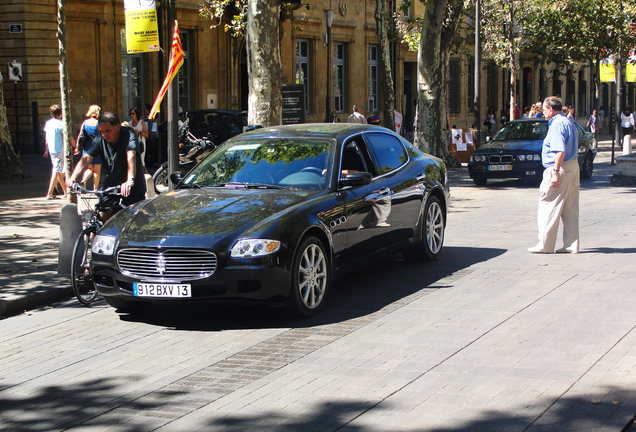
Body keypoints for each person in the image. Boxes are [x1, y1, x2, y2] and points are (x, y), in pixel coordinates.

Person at [67, 112, 146, 221]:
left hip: (132, 186)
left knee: (135, 220)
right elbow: (86, 159)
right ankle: (93, 237)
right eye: (102, 131)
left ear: (118, 126)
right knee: (101, 217)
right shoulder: (100, 138)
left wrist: (130, 179)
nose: (105, 135)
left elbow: (131, 156)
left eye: (108, 131)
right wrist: (73, 178)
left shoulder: (129, 134)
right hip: (112, 184)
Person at [528, 96, 580, 254]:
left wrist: (556, 172)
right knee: (570, 208)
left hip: (559, 167)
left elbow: (560, 150)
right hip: (573, 167)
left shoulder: (556, 124)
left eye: (544, 110)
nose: (543, 113)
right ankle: (571, 245)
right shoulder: (568, 121)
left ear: (551, 109)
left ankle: (545, 244)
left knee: (548, 205)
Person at [43, 104, 67, 199]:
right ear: (60, 113)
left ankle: (65, 191)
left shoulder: (48, 123)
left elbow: (47, 138)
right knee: (57, 171)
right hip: (60, 149)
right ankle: (49, 193)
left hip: (52, 150)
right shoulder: (61, 124)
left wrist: (46, 150)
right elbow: (65, 137)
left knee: (58, 170)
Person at [76, 105, 101, 189]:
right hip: (97, 146)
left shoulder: (85, 122)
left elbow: (80, 135)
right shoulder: (98, 123)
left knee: (89, 167)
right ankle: (95, 189)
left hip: (87, 146)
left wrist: (77, 146)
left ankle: (84, 180)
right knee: (97, 170)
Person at [129, 107, 149, 173]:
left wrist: (139, 132)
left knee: (141, 161)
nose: (131, 115)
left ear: (136, 114)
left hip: (140, 143)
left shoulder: (141, 122)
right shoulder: (129, 123)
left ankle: (147, 176)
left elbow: (146, 134)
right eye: (130, 114)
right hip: (132, 143)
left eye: (133, 113)